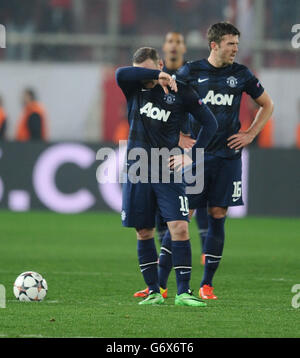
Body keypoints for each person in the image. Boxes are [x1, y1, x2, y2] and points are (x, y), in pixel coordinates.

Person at [134, 22, 274, 301]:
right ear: (215, 45)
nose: (236, 48)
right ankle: (159, 286)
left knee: (219, 215)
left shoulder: (242, 74)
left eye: (237, 43)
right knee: (182, 217)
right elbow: (169, 102)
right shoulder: (191, 72)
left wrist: (249, 134)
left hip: (228, 156)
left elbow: (267, 105)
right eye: (231, 44)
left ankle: (206, 284)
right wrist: (182, 136)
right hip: (195, 157)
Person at [115, 46, 217, 306]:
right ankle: (153, 292)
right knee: (144, 230)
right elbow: (120, 73)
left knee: (180, 228)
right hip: (138, 170)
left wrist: (191, 156)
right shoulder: (134, 87)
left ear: (161, 63)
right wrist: (151, 75)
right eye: (142, 72)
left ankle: (184, 292)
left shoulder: (180, 91)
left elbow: (210, 123)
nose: (146, 76)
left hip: (168, 171)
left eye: (151, 69)